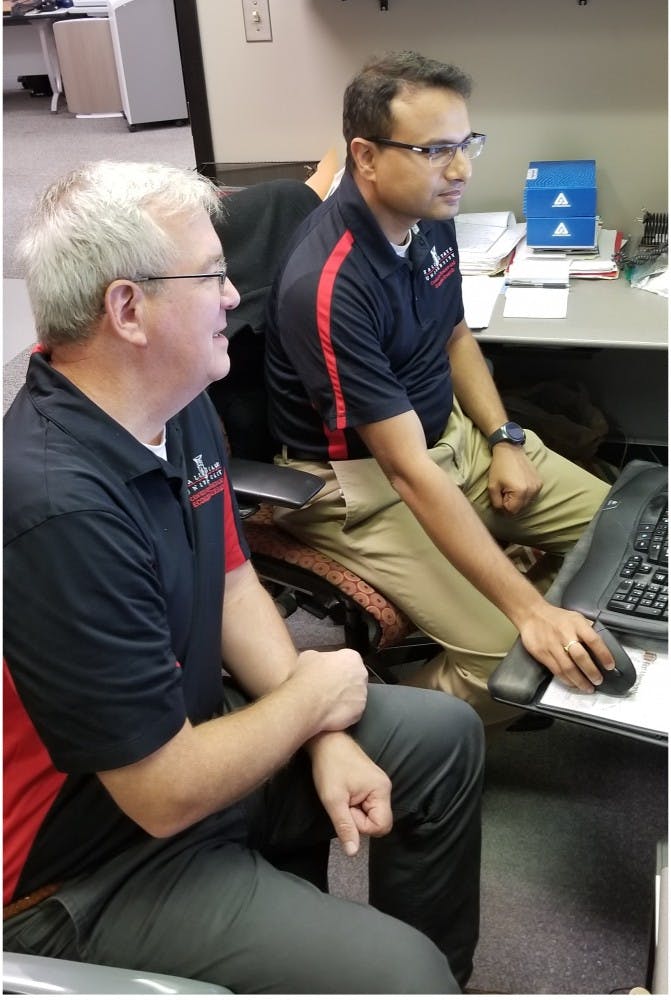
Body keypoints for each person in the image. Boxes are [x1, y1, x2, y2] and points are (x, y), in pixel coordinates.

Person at [3, 160, 485, 995]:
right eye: (214, 277)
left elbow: (231, 583)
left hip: (181, 742)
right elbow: (159, 792)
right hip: (86, 861)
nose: (235, 298)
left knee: (439, 737)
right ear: (128, 309)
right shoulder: (56, 506)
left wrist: (325, 732)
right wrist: (308, 701)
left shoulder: (177, 399)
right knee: (400, 974)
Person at [264, 50, 615, 728]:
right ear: (363, 156)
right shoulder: (329, 284)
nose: (462, 170)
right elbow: (404, 471)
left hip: (452, 440)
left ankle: (515, 606)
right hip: (362, 486)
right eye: (435, 151)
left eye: (465, 145)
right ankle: (349, 743)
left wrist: (503, 437)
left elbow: (453, 334)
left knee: (628, 536)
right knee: (508, 663)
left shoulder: (428, 211)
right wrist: (529, 611)